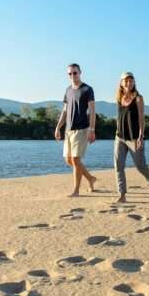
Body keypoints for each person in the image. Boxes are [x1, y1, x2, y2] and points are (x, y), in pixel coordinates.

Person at [114, 72, 149, 203]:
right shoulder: (119, 98)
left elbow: (141, 119)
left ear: (134, 83)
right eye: (126, 81)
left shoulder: (138, 98)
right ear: (121, 83)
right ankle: (122, 194)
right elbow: (120, 117)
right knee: (118, 166)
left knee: (141, 166)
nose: (129, 83)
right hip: (120, 137)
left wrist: (141, 136)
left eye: (131, 81)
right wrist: (117, 130)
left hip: (134, 138)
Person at [55, 63, 97, 197]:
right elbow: (65, 111)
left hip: (82, 129)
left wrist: (92, 129)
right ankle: (90, 178)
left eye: (75, 73)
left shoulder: (87, 89)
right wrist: (58, 127)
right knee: (69, 160)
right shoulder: (68, 90)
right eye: (70, 73)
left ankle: (76, 190)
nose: (72, 75)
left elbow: (92, 111)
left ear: (80, 73)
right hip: (68, 130)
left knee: (76, 159)